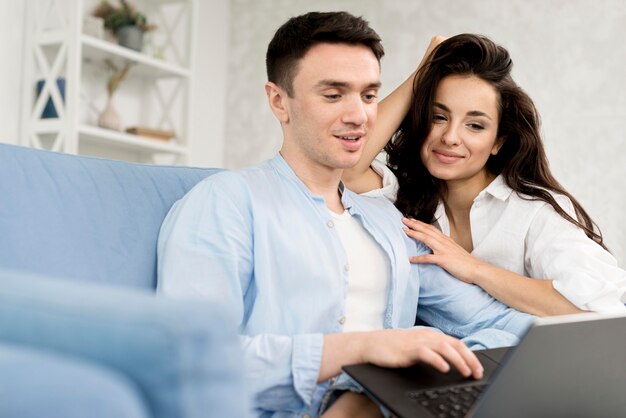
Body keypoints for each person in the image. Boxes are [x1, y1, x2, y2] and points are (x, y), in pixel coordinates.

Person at [157, 15, 533, 417]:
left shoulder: (389, 222)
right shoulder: (226, 202)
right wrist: (364, 349)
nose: (359, 116)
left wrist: (419, 368)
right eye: (334, 95)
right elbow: (190, 361)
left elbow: (501, 325)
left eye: (369, 96)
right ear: (278, 101)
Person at [343, 33, 626, 317]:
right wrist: (423, 73)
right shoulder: (403, 197)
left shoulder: (532, 212)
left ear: (498, 142)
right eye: (438, 117)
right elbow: (348, 167)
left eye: (475, 126)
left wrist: (474, 268)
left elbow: (596, 306)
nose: (451, 137)